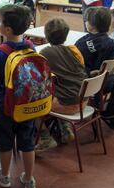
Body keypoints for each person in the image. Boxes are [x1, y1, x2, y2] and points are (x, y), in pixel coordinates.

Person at [0, 5, 36, 188]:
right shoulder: (30, 46)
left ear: (7, 29)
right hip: (28, 103)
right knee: (27, 142)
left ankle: (4, 176)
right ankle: (28, 179)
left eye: (0, 21)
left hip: (6, 106)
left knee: (5, 141)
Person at [36, 18, 87, 153]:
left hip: (66, 104)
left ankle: (45, 137)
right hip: (84, 101)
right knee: (59, 89)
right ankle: (65, 126)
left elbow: (39, 77)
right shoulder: (74, 50)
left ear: (46, 36)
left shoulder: (45, 53)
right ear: (66, 35)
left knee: (35, 102)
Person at [75, 7, 114, 74]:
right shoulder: (113, 44)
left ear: (93, 25)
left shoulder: (81, 43)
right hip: (104, 81)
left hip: (86, 80)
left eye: (86, 21)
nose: (85, 22)